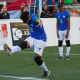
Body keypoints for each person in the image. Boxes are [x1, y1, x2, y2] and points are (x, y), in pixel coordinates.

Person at [3, 10, 50, 77]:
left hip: (40, 40)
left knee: (37, 59)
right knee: (23, 44)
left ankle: (46, 71)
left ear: (29, 18)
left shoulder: (34, 19)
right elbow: (22, 14)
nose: (26, 23)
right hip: (33, 37)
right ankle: (10, 50)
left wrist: (40, 22)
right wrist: (22, 10)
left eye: (26, 22)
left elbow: (38, 20)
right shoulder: (27, 16)